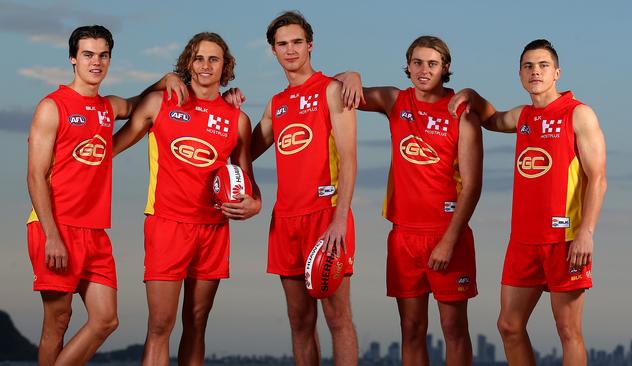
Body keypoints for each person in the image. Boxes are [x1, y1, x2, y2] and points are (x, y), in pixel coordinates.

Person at [26, 25, 186, 366]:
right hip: (55, 226)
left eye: (103, 55)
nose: (95, 62)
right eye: (87, 54)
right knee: (57, 321)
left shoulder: (106, 107)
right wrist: (52, 235)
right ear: (73, 59)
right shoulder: (52, 107)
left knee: (106, 319)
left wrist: (164, 80)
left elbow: (133, 104)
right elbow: (35, 176)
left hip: (94, 230)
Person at [449, 39, 607, 366]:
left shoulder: (578, 114)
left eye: (543, 65)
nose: (535, 71)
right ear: (520, 74)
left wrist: (586, 233)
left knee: (568, 330)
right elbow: (493, 119)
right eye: (528, 66)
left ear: (557, 73)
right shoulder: (523, 116)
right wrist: (475, 98)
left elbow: (598, 178)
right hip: (523, 241)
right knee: (509, 325)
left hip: (564, 240)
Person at [112, 32, 261, 366]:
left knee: (196, 323)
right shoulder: (160, 103)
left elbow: (247, 179)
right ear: (187, 63)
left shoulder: (237, 119)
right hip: (167, 225)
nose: (205, 65)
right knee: (160, 325)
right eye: (198, 58)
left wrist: (255, 203)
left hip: (213, 230)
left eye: (213, 59)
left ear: (226, 68)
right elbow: (108, 150)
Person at [336, 35, 482, 365]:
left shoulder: (463, 114)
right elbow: (329, 88)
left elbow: (472, 186)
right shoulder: (394, 100)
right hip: (403, 236)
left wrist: (448, 241)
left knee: (453, 328)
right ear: (408, 66)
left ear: (445, 68)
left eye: (432, 63)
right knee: (411, 329)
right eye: (417, 62)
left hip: (448, 235)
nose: (423, 70)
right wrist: (352, 74)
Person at [247, 11, 358, 366]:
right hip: (286, 221)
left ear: (310, 45)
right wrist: (229, 107)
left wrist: (340, 219)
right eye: (282, 44)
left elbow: (350, 158)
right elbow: (242, 151)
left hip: (326, 218)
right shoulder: (276, 105)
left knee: (337, 318)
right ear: (274, 51)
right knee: (299, 322)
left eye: (297, 42)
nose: (290, 49)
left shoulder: (332, 90)